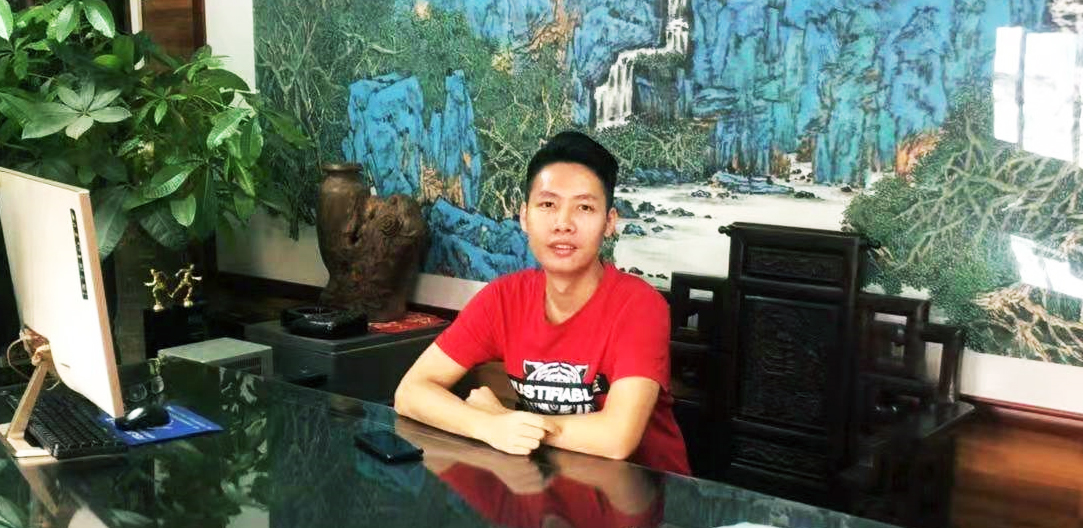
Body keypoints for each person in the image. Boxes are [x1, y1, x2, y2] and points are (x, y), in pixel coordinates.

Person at [394, 130, 689, 475]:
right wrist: (488, 425)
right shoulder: (503, 298)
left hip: (645, 493)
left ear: (610, 222)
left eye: (584, 207)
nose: (563, 224)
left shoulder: (639, 305)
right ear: (524, 216)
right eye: (548, 205)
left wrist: (506, 417)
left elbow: (616, 438)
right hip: (547, 483)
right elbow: (410, 392)